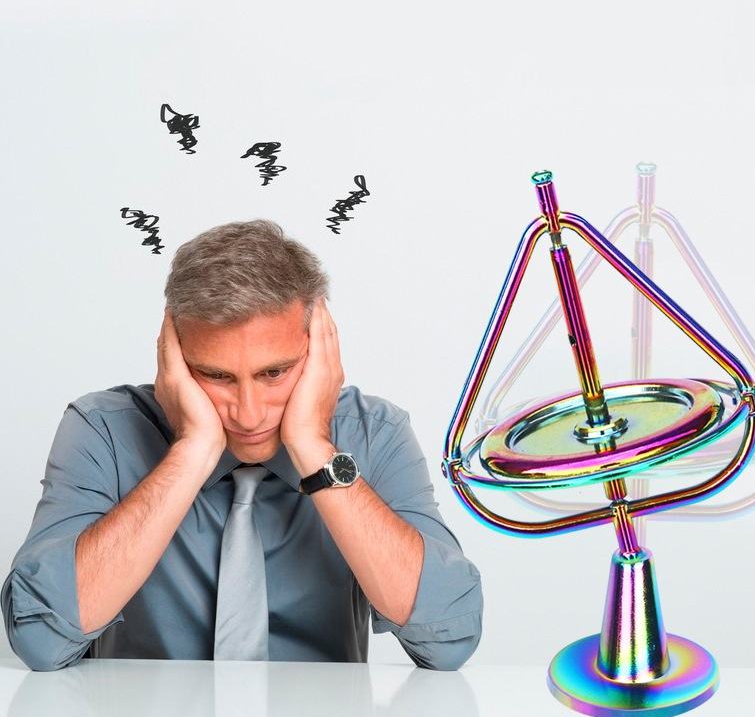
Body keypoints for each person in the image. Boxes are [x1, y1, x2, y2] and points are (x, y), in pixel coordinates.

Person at [1, 220, 483, 671]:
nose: (249, 414)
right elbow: (42, 641)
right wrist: (192, 450)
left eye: (274, 372)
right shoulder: (104, 430)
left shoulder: (374, 432)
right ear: (173, 357)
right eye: (215, 375)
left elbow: (449, 641)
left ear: (319, 349)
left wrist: (314, 447)